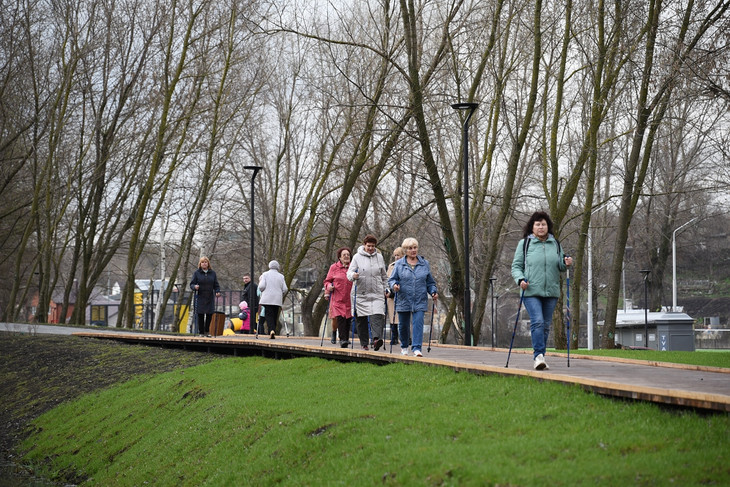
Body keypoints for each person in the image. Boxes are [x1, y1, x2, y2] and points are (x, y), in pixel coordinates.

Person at [511, 211, 573, 370]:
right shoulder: (524, 244)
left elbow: (560, 265)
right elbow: (516, 267)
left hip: (551, 292)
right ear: (532, 227)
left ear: (548, 226)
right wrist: (520, 280)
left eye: (543, 224)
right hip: (531, 290)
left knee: (545, 325)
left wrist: (566, 263)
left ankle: (541, 356)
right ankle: (538, 356)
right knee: (537, 321)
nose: (540, 227)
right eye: (537, 224)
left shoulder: (556, 244)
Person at [388, 238, 438, 357]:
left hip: (419, 299)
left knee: (418, 324)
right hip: (403, 299)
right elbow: (392, 279)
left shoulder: (424, 264)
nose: (413, 250)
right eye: (410, 248)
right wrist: (394, 285)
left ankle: (416, 348)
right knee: (403, 325)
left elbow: (430, 282)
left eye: (415, 247)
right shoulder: (399, 264)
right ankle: (404, 346)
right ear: (405, 250)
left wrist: (433, 291)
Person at [348, 235, 388, 351]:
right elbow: (349, 272)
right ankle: (364, 342)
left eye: (373, 246)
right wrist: (353, 275)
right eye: (368, 246)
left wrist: (387, 288)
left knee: (378, 315)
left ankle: (376, 340)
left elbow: (384, 276)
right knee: (362, 320)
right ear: (364, 245)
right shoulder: (357, 257)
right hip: (361, 293)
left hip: (377, 293)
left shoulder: (379, 257)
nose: (370, 248)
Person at [324, 247, 354, 348]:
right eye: (344, 255)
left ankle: (345, 338)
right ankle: (342, 340)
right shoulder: (334, 267)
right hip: (338, 298)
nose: (346, 256)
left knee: (348, 319)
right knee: (340, 318)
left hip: (350, 298)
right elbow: (327, 281)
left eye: (348, 255)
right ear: (339, 258)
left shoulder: (353, 267)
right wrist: (329, 287)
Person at [189, 256, 221, 336]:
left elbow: (216, 285)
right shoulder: (197, 273)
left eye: (205, 262)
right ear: (200, 264)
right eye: (202, 262)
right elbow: (192, 284)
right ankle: (201, 332)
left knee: (210, 314)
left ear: (208, 263)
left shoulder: (212, 273)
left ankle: (207, 330)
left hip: (209, 296)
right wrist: (195, 287)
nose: (204, 263)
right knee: (200, 314)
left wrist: (217, 291)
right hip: (200, 296)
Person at [258, 260, 288, 339]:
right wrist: (279, 293)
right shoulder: (281, 276)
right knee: (274, 315)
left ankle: (271, 330)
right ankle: (272, 330)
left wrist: (262, 290)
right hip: (277, 299)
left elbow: (261, 287)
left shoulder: (265, 274)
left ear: (269, 266)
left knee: (268, 314)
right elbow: (285, 289)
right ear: (277, 267)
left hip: (267, 298)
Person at [386, 246, 405, 344]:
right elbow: (388, 280)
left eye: (399, 255)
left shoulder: (405, 266)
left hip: (401, 295)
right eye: (395, 255)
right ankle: (394, 337)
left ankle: (405, 338)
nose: (397, 257)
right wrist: (388, 292)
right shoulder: (391, 266)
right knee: (392, 317)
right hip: (391, 296)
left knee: (402, 317)